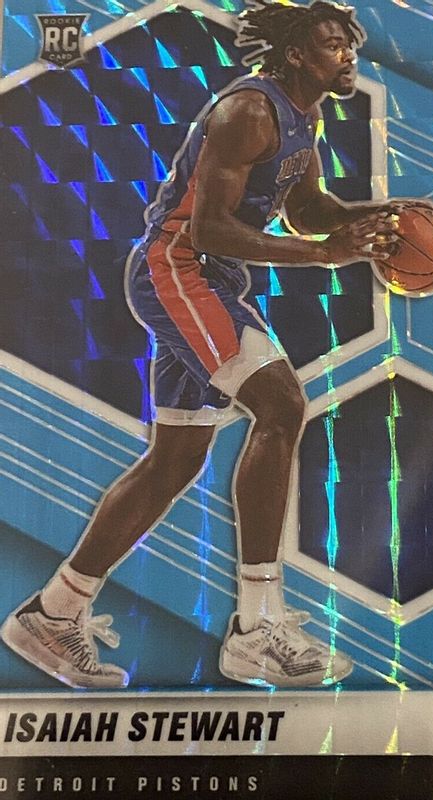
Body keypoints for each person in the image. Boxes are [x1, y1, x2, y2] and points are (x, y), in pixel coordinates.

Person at [1, 0, 396, 689]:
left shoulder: (303, 113)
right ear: (296, 54)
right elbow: (207, 229)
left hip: (210, 279)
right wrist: (323, 256)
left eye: (348, 44)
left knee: (175, 460)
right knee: (280, 407)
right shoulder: (248, 112)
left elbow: (308, 209)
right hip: (178, 272)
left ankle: (53, 612)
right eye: (333, 45)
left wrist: (385, 218)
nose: (347, 55)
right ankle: (256, 627)